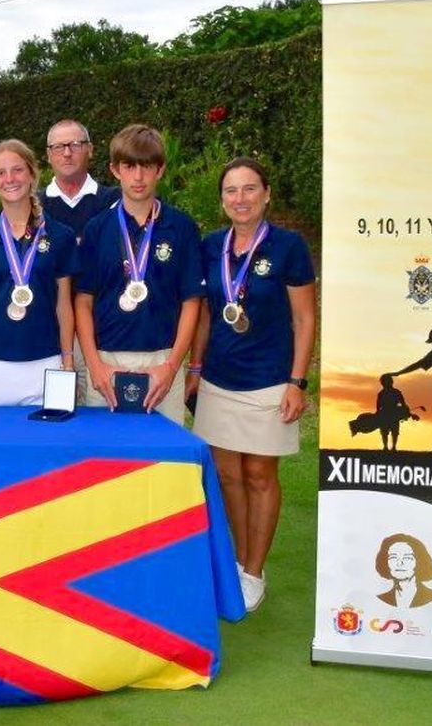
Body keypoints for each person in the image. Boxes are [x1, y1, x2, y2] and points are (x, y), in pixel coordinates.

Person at [187, 157, 316, 613]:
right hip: (218, 380)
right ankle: (237, 563)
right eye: (231, 191)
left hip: (269, 381)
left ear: (266, 194)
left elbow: (305, 318)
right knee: (226, 477)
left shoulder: (288, 247)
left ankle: (255, 571)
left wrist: (297, 381)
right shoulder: (211, 246)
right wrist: (195, 368)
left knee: (260, 476)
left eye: (249, 189)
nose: (240, 199)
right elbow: (206, 314)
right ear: (222, 199)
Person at [74, 124, 203, 419]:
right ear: (115, 170)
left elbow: (191, 302)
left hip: (163, 361)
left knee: (164, 449)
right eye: (129, 166)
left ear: (160, 169)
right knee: (106, 448)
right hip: (106, 362)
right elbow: (83, 301)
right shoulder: (97, 229)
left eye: (147, 166)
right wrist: (95, 365)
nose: (138, 176)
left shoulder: (182, 227)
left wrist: (171, 366)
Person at [0, 140, 78, 406]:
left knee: (47, 434)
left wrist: (68, 360)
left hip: (46, 361)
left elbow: (64, 305)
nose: (10, 179)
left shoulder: (61, 235)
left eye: (17, 170)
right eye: (0, 173)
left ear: (32, 174)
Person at [40, 119, 122, 403]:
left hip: (103, 333)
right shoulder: (33, 206)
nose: (67, 153)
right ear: (48, 154)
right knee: (59, 418)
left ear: (90, 150)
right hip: (50, 334)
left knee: (101, 419)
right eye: (58, 146)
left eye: (75, 144)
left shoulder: (116, 201)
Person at [374, 533, 432, 608]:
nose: (399, 563)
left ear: (419, 561)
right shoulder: (382, 599)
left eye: (407, 558)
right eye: (393, 557)